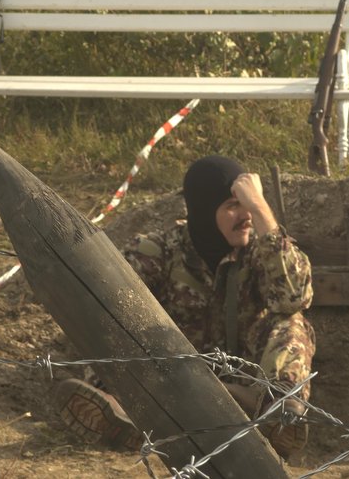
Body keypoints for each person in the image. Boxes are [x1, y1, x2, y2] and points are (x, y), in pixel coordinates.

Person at [54, 155, 316, 458]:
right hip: (166, 383)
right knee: (115, 316)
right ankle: (119, 412)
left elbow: (295, 296)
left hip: (240, 392)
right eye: (233, 206)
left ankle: (278, 417)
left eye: (247, 205)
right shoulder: (160, 251)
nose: (245, 216)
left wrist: (261, 209)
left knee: (290, 321)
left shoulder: (261, 250)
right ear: (205, 212)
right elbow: (103, 314)